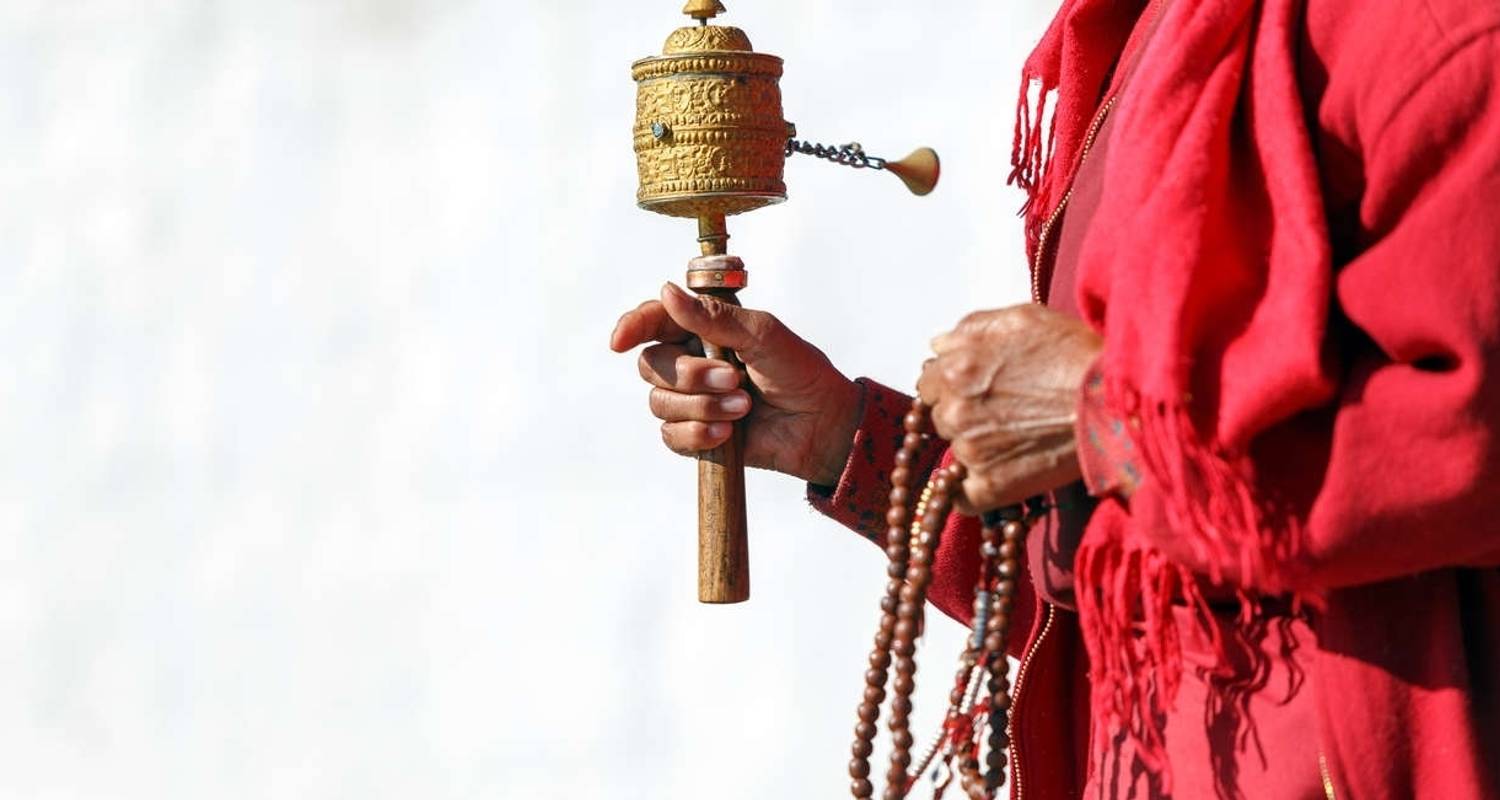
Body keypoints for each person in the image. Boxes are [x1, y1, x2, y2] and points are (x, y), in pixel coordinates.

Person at [611, 0, 1500, 796]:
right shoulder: (1130, 37)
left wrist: (1105, 415)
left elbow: (1468, 435)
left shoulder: (1421, 24)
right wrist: (844, 439)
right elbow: (1113, 571)